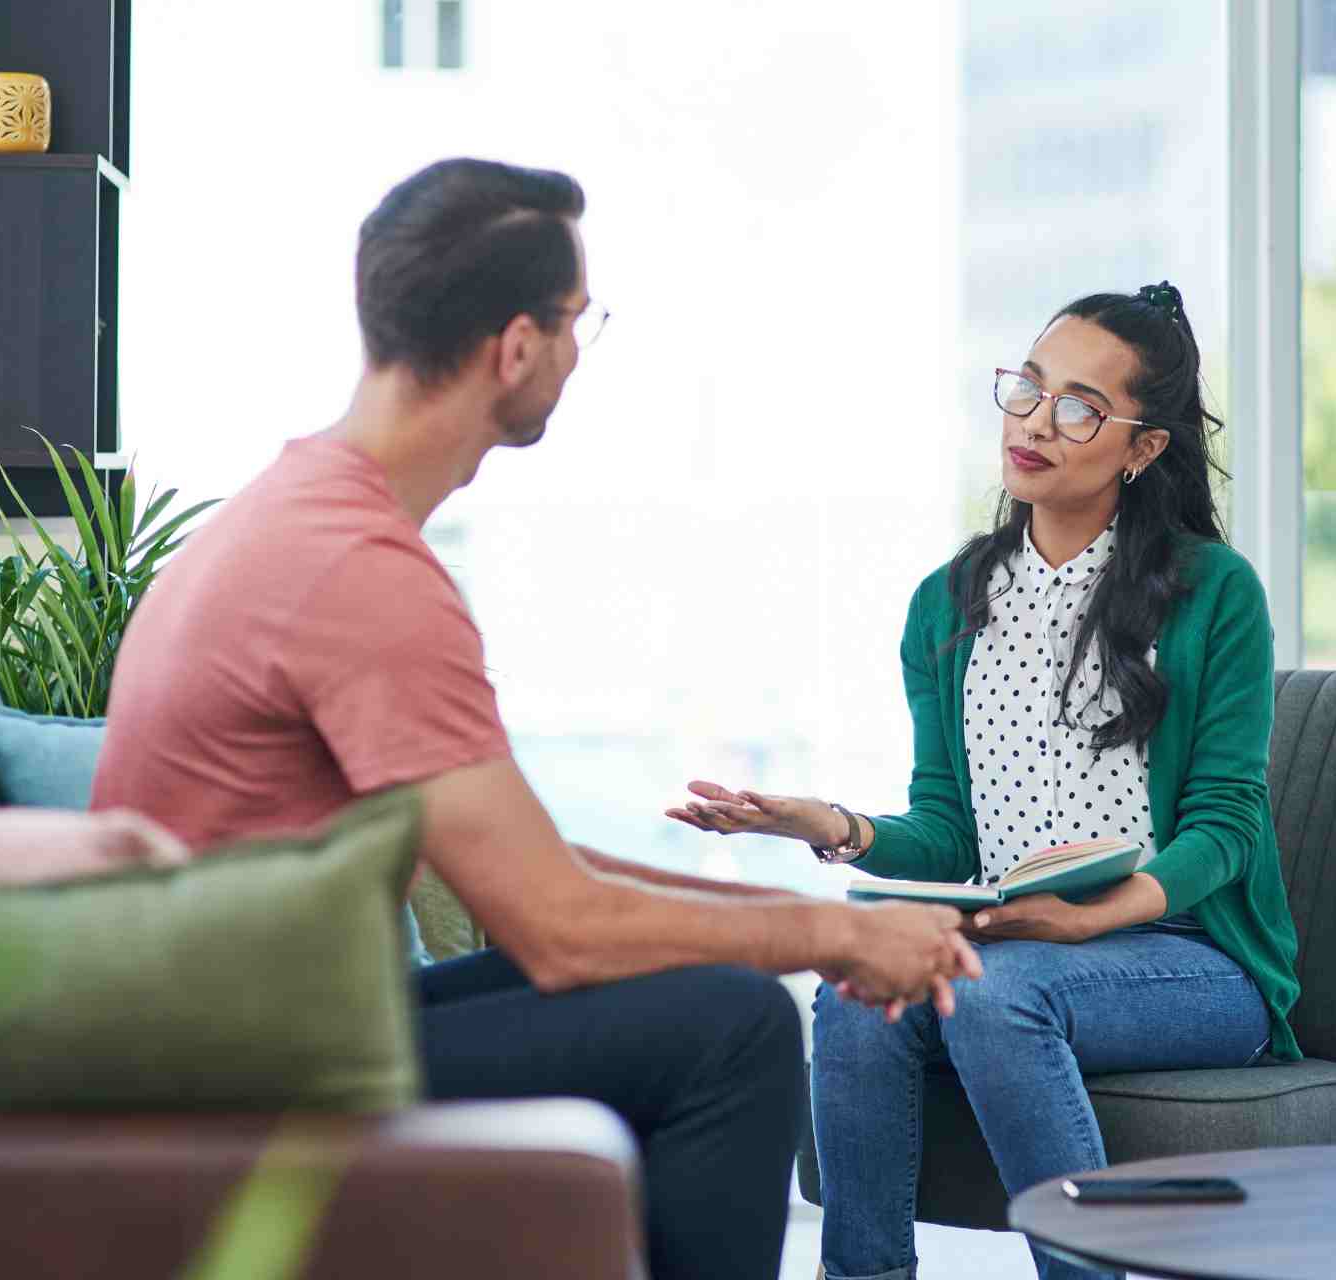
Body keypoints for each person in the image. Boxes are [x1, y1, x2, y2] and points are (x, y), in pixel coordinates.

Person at [90, 157, 983, 1280]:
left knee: (716, 985)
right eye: (577, 321)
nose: (575, 350)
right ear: (516, 346)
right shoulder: (358, 570)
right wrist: (838, 936)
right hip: (252, 1066)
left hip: (275, 1020)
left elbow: (532, 868)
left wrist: (815, 919)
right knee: (737, 1028)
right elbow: (558, 923)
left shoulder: (301, 512)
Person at [666, 283, 1303, 1280]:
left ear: (1141, 448)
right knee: (855, 987)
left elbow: (1225, 828)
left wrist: (1085, 919)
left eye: (1080, 408)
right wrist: (827, 823)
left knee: (997, 996)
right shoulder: (947, 604)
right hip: (1014, 938)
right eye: (1028, 389)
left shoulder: (1215, 591)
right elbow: (949, 833)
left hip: (1186, 952)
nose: (1037, 423)